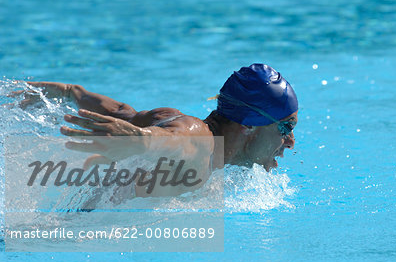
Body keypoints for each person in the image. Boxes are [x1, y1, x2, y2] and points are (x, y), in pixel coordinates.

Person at [12, 64, 298, 196]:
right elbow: (175, 140)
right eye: (285, 127)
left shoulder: (171, 117)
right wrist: (141, 141)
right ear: (249, 124)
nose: (290, 141)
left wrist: (72, 93)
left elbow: (122, 112)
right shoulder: (201, 140)